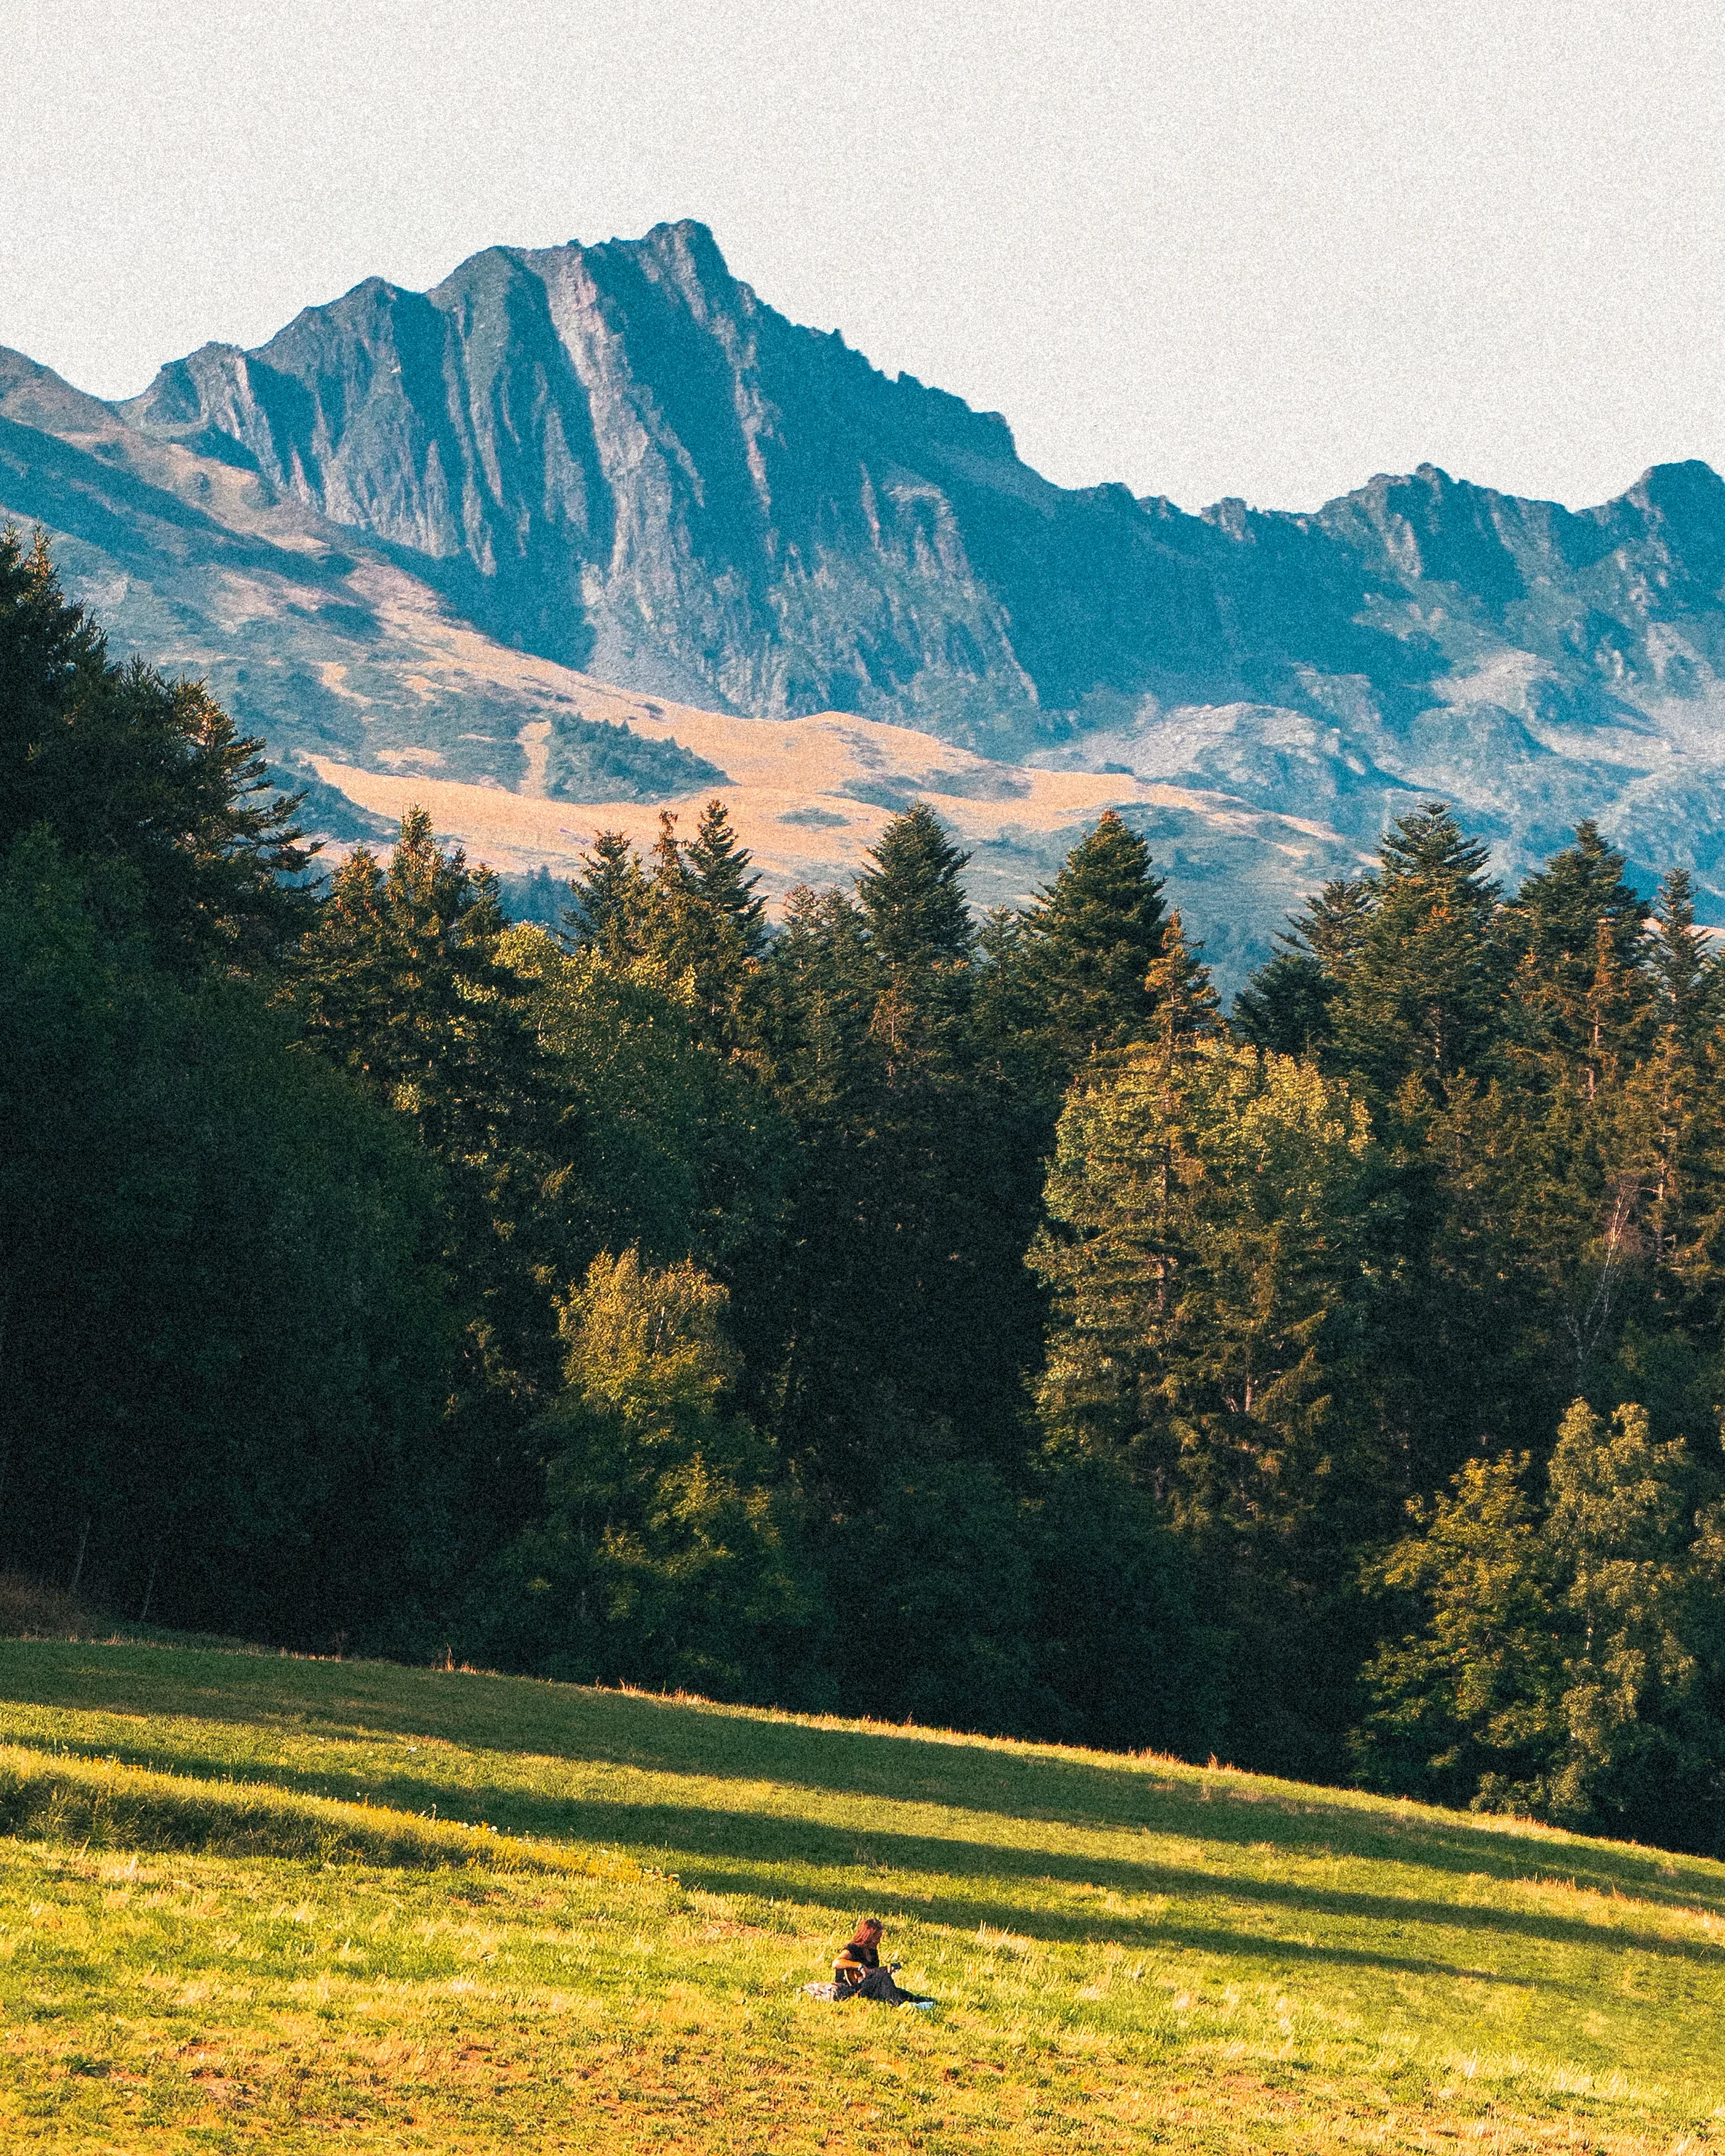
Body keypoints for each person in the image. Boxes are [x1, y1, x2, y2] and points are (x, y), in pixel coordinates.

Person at [833, 1918, 933, 2007]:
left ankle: (919, 2001)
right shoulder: (854, 1948)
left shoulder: (872, 1952)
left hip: (868, 1985)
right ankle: (898, 2003)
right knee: (883, 1976)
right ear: (868, 1936)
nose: (878, 1941)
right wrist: (859, 1966)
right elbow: (836, 1963)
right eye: (877, 1938)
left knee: (901, 1992)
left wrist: (885, 1970)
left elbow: (871, 1973)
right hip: (854, 1989)